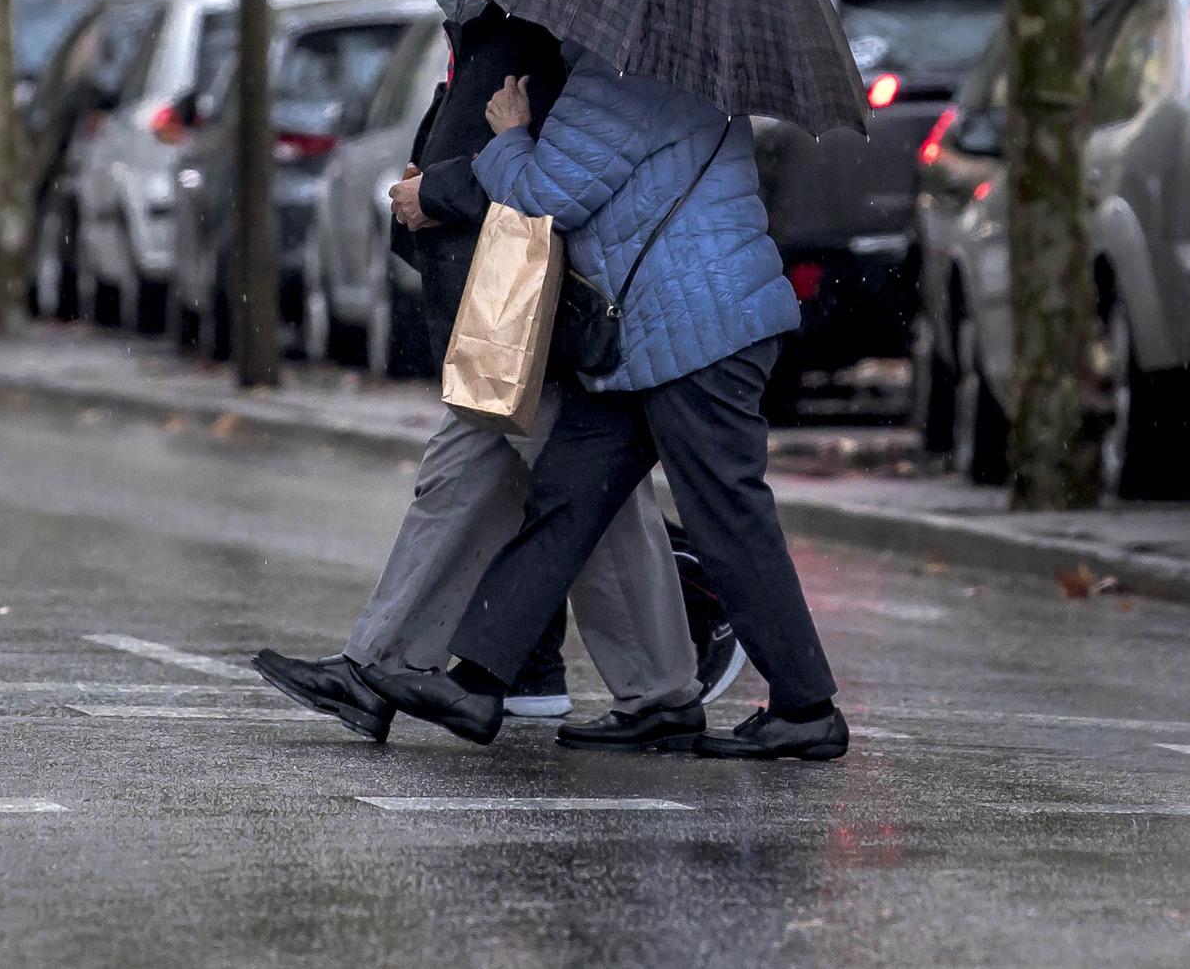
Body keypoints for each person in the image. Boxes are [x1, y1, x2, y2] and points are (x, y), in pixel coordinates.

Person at [251, 0, 741, 750]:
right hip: (497, 307)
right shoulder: (486, 36)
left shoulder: (531, 37)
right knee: (459, 485)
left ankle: (662, 690)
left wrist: (434, 191)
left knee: (591, 504)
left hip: (530, 309)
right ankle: (375, 667)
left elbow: (550, 174)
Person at [357, 43, 849, 761]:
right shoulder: (685, 64)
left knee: (727, 514)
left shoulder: (621, 76)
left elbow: (545, 194)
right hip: (652, 330)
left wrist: (510, 133)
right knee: (568, 492)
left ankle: (807, 706)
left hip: (700, 328)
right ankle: (477, 679)